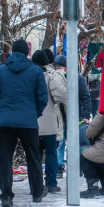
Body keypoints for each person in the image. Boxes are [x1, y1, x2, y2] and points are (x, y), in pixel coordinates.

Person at [0, 39, 48, 207]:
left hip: (5, 121)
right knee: (33, 157)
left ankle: (6, 196)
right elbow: (43, 97)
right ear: (27, 53)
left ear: (11, 53)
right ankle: (37, 192)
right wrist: (34, 113)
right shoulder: (35, 71)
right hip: (28, 122)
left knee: (5, 159)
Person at [32, 50, 67, 193]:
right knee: (51, 153)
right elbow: (62, 95)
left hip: (31, 123)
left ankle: (35, 185)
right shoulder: (50, 76)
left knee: (35, 155)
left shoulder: (27, 77)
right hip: (49, 122)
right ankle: (51, 183)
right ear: (46, 63)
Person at [80, 113, 104, 198]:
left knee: (85, 156)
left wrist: (87, 126)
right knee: (95, 157)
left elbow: (90, 133)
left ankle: (92, 188)